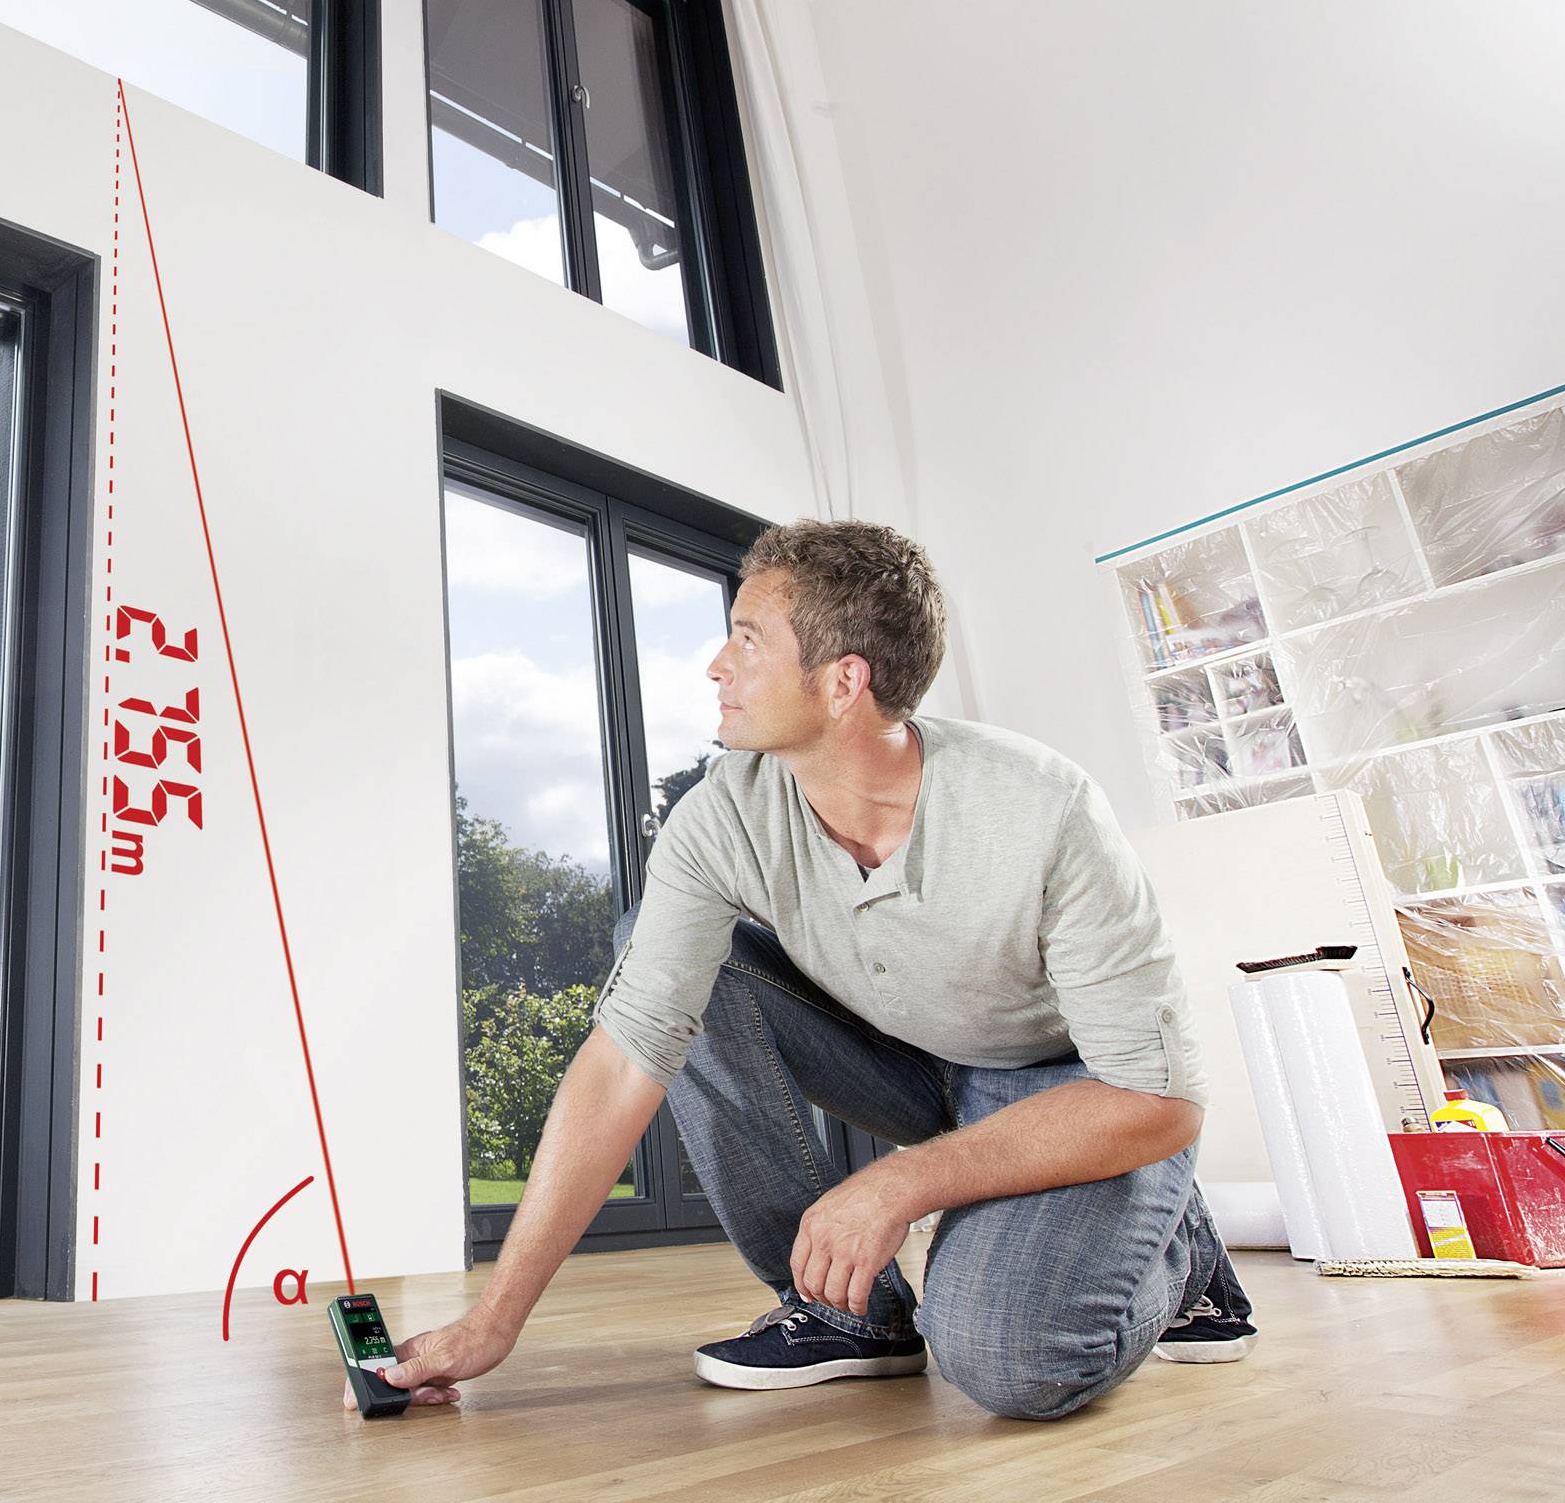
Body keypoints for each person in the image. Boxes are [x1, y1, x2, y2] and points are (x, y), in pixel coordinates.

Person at [376, 519, 1253, 1422]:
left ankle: (1176, 1252)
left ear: (844, 682)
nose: (717, 666)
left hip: (1081, 1091)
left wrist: (900, 1181)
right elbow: (624, 1058)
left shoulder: (1042, 807)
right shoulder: (720, 818)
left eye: (748, 641)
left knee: (1011, 1363)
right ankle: (848, 1312)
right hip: (912, 1061)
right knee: (676, 957)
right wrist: (495, 1318)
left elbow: (1156, 1096)